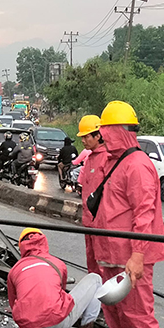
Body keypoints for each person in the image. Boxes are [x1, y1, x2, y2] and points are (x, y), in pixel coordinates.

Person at [85, 101, 164, 328]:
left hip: (131, 255)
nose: (102, 136)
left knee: (137, 313)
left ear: (119, 131)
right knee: (115, 311)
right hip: (109, 251)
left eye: (105, 130)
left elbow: (143, 214)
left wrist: (138, 256)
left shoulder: (138, 165)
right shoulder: (111, 161)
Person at [7, 228, 106, 328]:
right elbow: (61, 296)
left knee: (31, 302)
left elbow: (12, 302)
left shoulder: (15, 269)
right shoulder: (57, 263)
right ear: (44, 243)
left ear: (22, 247)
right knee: (95, 279)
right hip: (57, 325)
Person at [74, 114, 104, 274]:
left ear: (97, 136)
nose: (83, 141)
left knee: (102, 266)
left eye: (86, 137)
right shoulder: (90, 158)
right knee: (92, 266)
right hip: (89, 220)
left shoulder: (107, 158)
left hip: (101, 223)